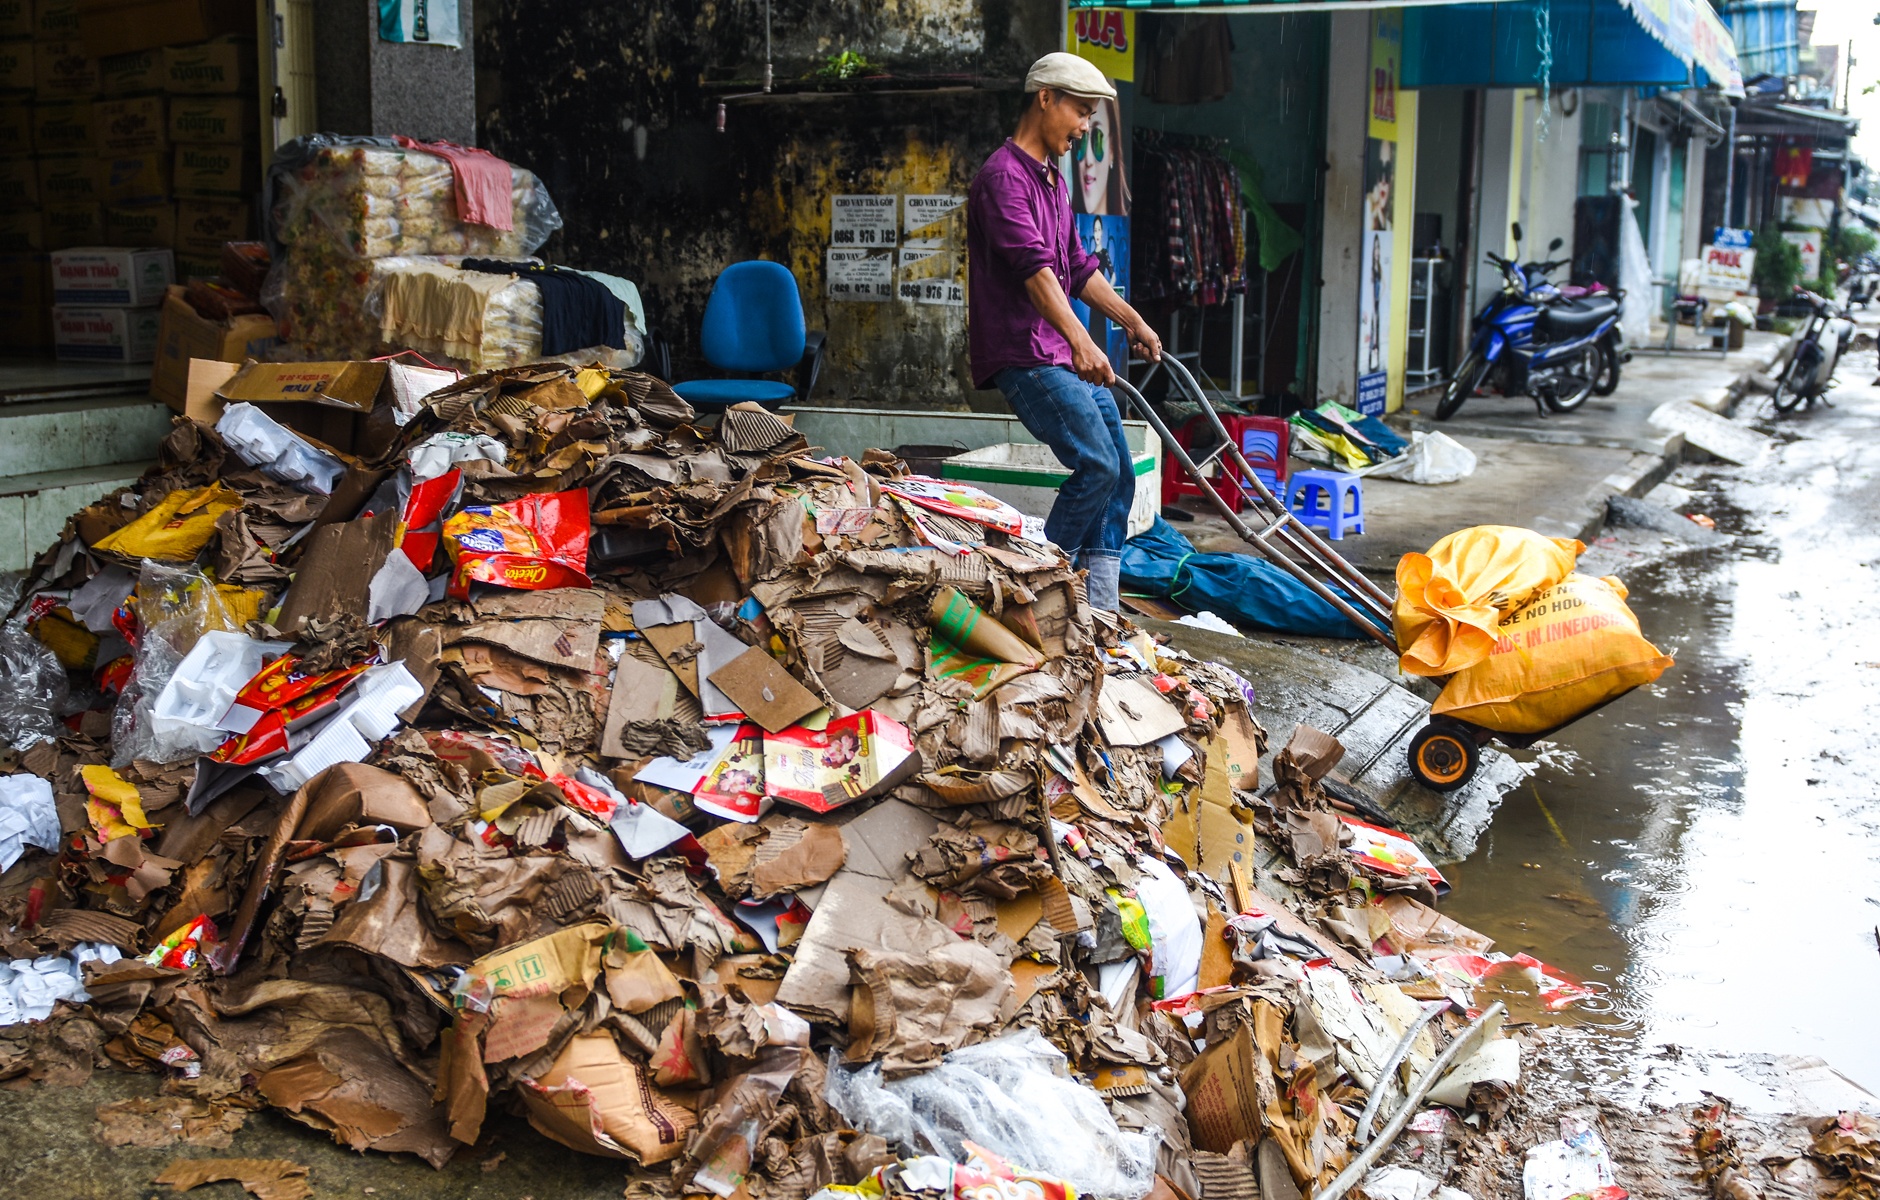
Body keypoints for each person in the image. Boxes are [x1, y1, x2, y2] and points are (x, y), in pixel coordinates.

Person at [967, 52, 1162, 612]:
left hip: (1055, 350)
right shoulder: (1002, 179)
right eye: (1080, 111)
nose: (1084, 127)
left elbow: (1076, 266)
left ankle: (1100, 609)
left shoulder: (1053, 180)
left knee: (1119, 471)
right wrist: (1082, 341)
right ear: (1045, 98)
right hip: (1024, 356)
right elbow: (1036, 275)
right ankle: (1033, 594)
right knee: (1096, 464)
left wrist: (1134, 322)